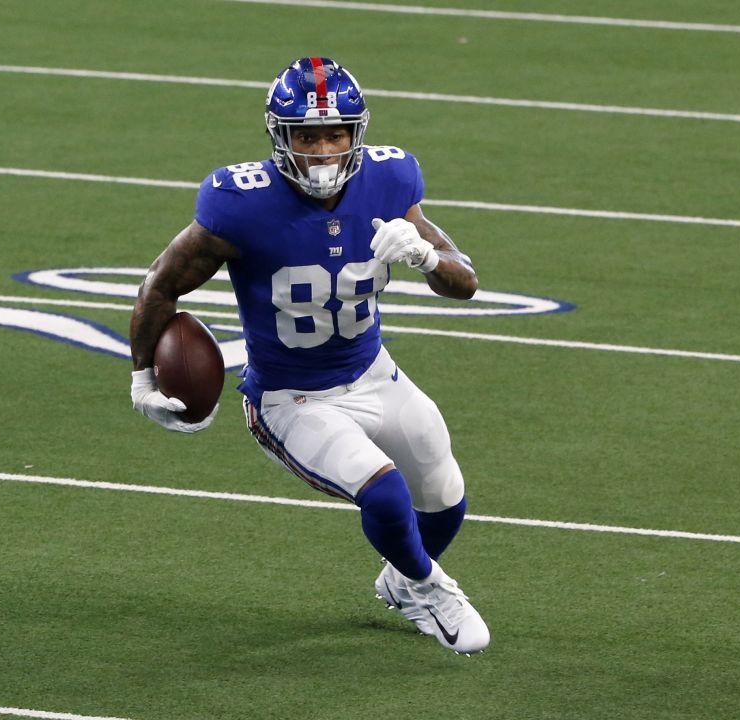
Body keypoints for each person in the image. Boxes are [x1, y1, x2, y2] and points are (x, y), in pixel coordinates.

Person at [127, 57, 489, 654]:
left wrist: (425, 256)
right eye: (307, 135)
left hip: (372, 371)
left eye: (335, 133)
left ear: (356, 133)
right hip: (290, 396)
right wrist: (143, 378)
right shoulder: (238, 203)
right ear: (281, 137)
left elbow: (466, 282)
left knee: (445, 499)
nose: (322, 148)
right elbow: (161, 284)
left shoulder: (392, 180)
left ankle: (401, 580)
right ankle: (429, 588)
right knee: (385, 491)